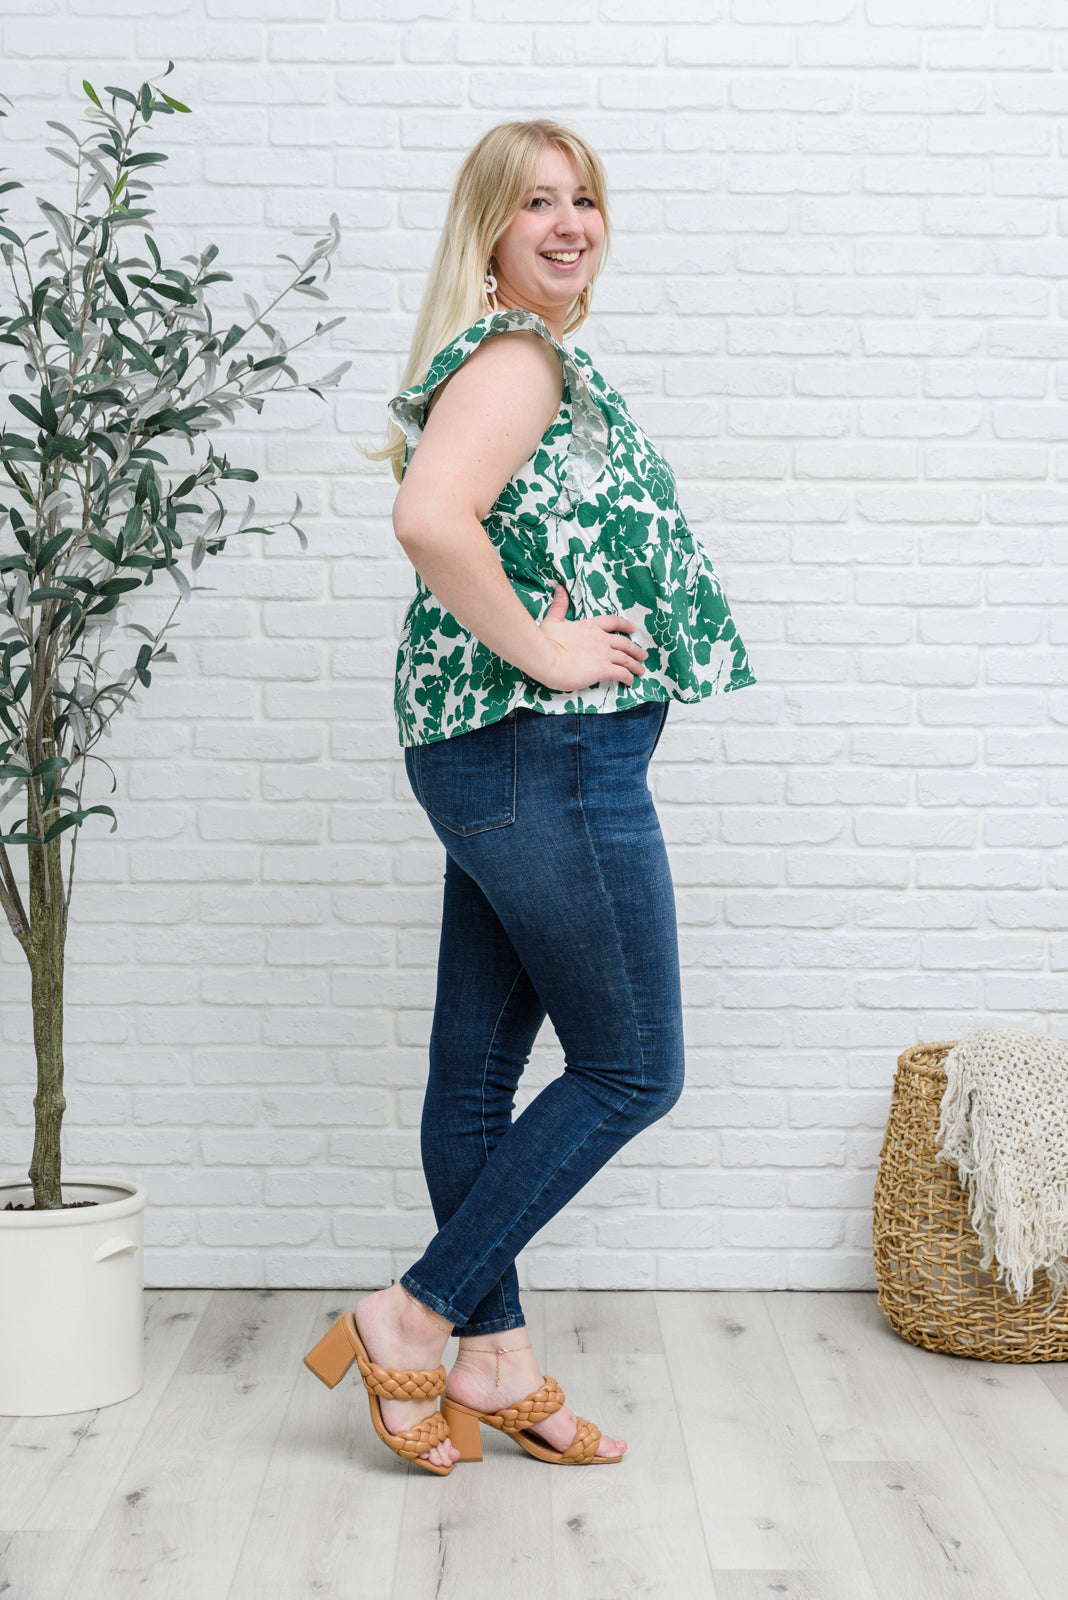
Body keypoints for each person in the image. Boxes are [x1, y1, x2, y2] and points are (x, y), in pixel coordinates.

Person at [304, 119, 755, 1474]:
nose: (570, 224)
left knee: (478, 1072)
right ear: (490, 234)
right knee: (633, 1067)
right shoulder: (516, 358)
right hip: (543, 751)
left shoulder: (518, 356)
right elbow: (428, 518)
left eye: (586, 199)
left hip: (505, 753)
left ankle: (492, 1360)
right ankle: (415, 1312)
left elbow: (470, 522)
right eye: (537, 203)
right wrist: (549, 650)